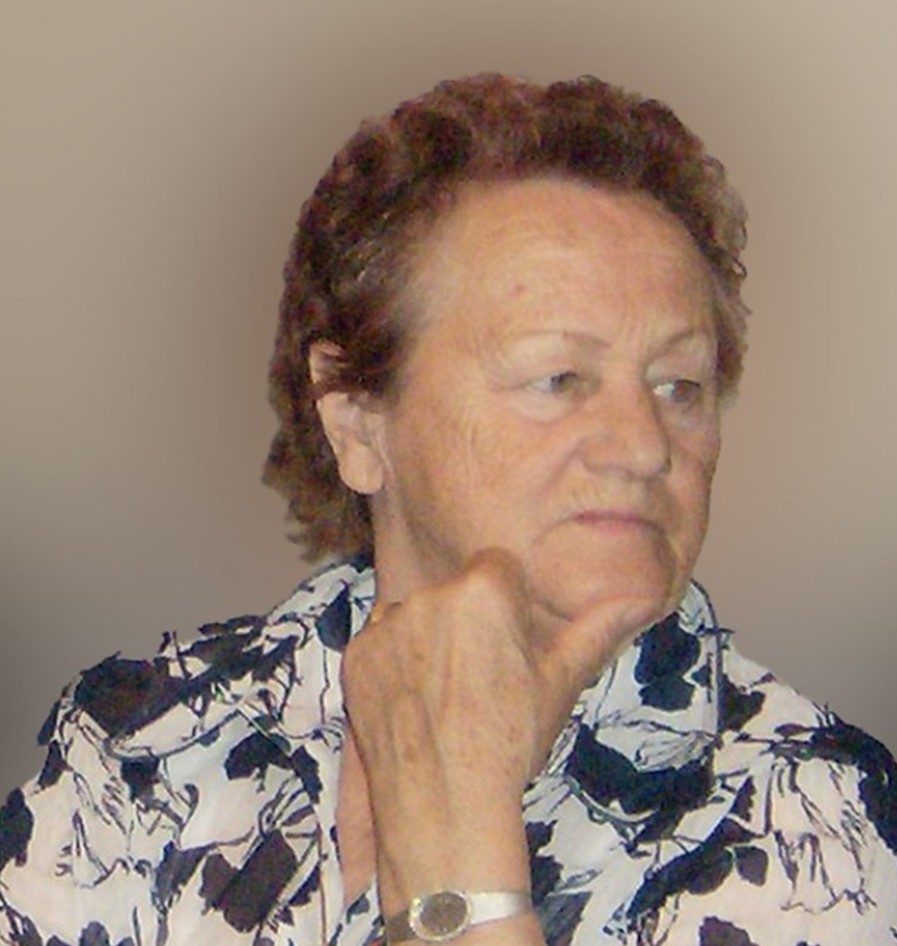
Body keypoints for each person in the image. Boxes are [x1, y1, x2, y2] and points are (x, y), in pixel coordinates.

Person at [0, 73, 894, 946]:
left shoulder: (803, 818)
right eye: (558, 378)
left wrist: (457, 871)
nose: (643, 445)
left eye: (679, 385)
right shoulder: (150, 738)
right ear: (357, 423)